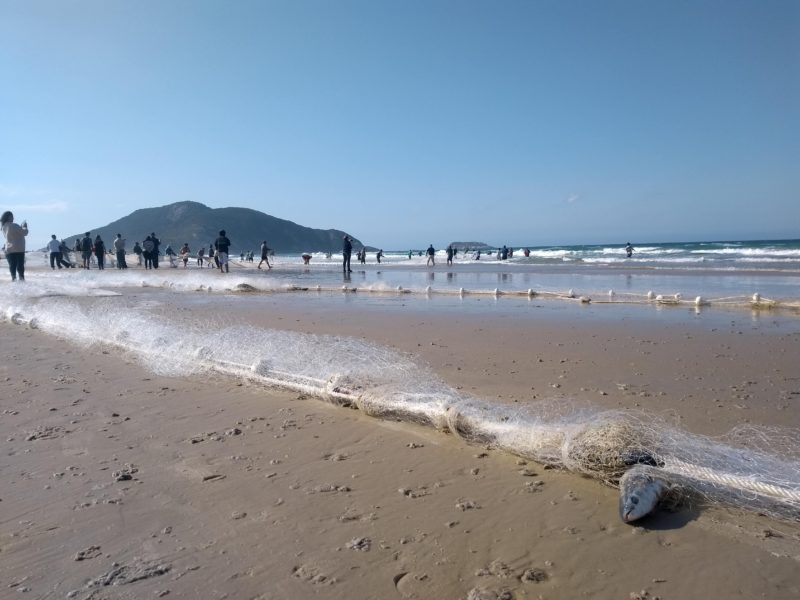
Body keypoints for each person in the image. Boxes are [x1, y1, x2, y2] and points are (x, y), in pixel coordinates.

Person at [1, 211, 28, 281]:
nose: (13, 218)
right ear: (9, 217)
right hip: (19, 248)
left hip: (9, 249)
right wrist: (24, 227)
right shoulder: (13, 225)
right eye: (12, 216)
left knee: (12, 266)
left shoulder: (3, 227)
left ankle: (14, 279)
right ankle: (21, 281)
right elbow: (24, 232)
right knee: (20, 267)